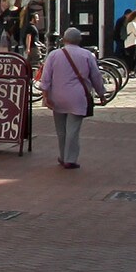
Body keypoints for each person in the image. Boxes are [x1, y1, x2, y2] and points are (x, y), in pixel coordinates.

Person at [40, 27, 103, 167]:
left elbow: (46, 78)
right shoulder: (87, 55)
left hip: (57, 96)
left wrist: (45, 96)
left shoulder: (54, 55)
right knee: (73, 130)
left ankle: (63, 156)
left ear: (64, 39)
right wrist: (101, 93)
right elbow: (96, 76)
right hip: (77, 97)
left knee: (61, 130)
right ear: (79, 39)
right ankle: (70, 159)